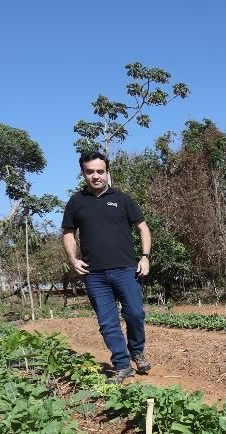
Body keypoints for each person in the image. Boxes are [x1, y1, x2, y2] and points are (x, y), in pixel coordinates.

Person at [62, 151, 153, 382]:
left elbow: (143, 228)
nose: (96, 176)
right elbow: (69, 233)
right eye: (90, 172)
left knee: (135, 313)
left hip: (125, 269)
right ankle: (122, 365)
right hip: (94, 274)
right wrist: (73, 259)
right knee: (107, 321)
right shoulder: (76, 202)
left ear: (107, 172)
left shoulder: (122, 199)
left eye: (100, 171)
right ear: (83, 173)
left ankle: (137, 351)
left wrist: (145, 256)